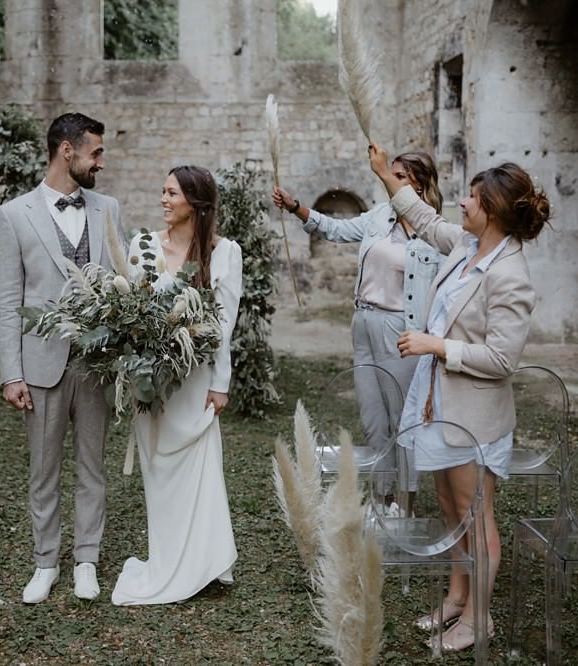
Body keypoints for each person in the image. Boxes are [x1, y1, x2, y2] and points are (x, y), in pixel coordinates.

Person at [370, 144, 550, 653]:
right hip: (437, 404)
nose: (462, 205)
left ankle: (479, 618)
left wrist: (436, 345)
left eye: (471, 198)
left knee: (476, 515)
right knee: (450, 506)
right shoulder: (465, 247)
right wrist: (386, 176)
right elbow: (423, 218)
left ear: (491, 209)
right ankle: (456, 595)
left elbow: (502, 360)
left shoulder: (510, 274)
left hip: (473, 413)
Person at [0, 112, 123, 603]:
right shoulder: (14, 215)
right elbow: (8, 300)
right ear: (66, 151)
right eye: (96, 152)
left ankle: (86, 560)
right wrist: (12, 373)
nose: (101, 163)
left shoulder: (108, 208)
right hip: (41, 365)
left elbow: (124, 279)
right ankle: (45, 563)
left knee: (93, 467)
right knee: (43, 471)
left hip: (95, 365)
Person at [272, 154, 445, 508]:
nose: (389, 181)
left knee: (403, 423)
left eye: (398, 176)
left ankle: (406, 505)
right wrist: (295, 207)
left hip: (401, 331)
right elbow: (334, 229)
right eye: (391, 174)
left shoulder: (434, 233)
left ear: (418, 184)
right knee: (373, 419)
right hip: (363, 323)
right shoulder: (380, 217)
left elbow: (443, 295)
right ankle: (383, 502)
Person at [111, 165, 243, 605]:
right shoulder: (143, 245)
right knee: (159, 468)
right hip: (152, 381)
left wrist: (220, 384)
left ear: (195, 202)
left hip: (197, 379)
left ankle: (202, 565)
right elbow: (132, 311)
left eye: (172, 193)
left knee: (198, 468)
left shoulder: (225, 253)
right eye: (162, 191)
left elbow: (225, 325)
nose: (163, 200)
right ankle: (167, 560)